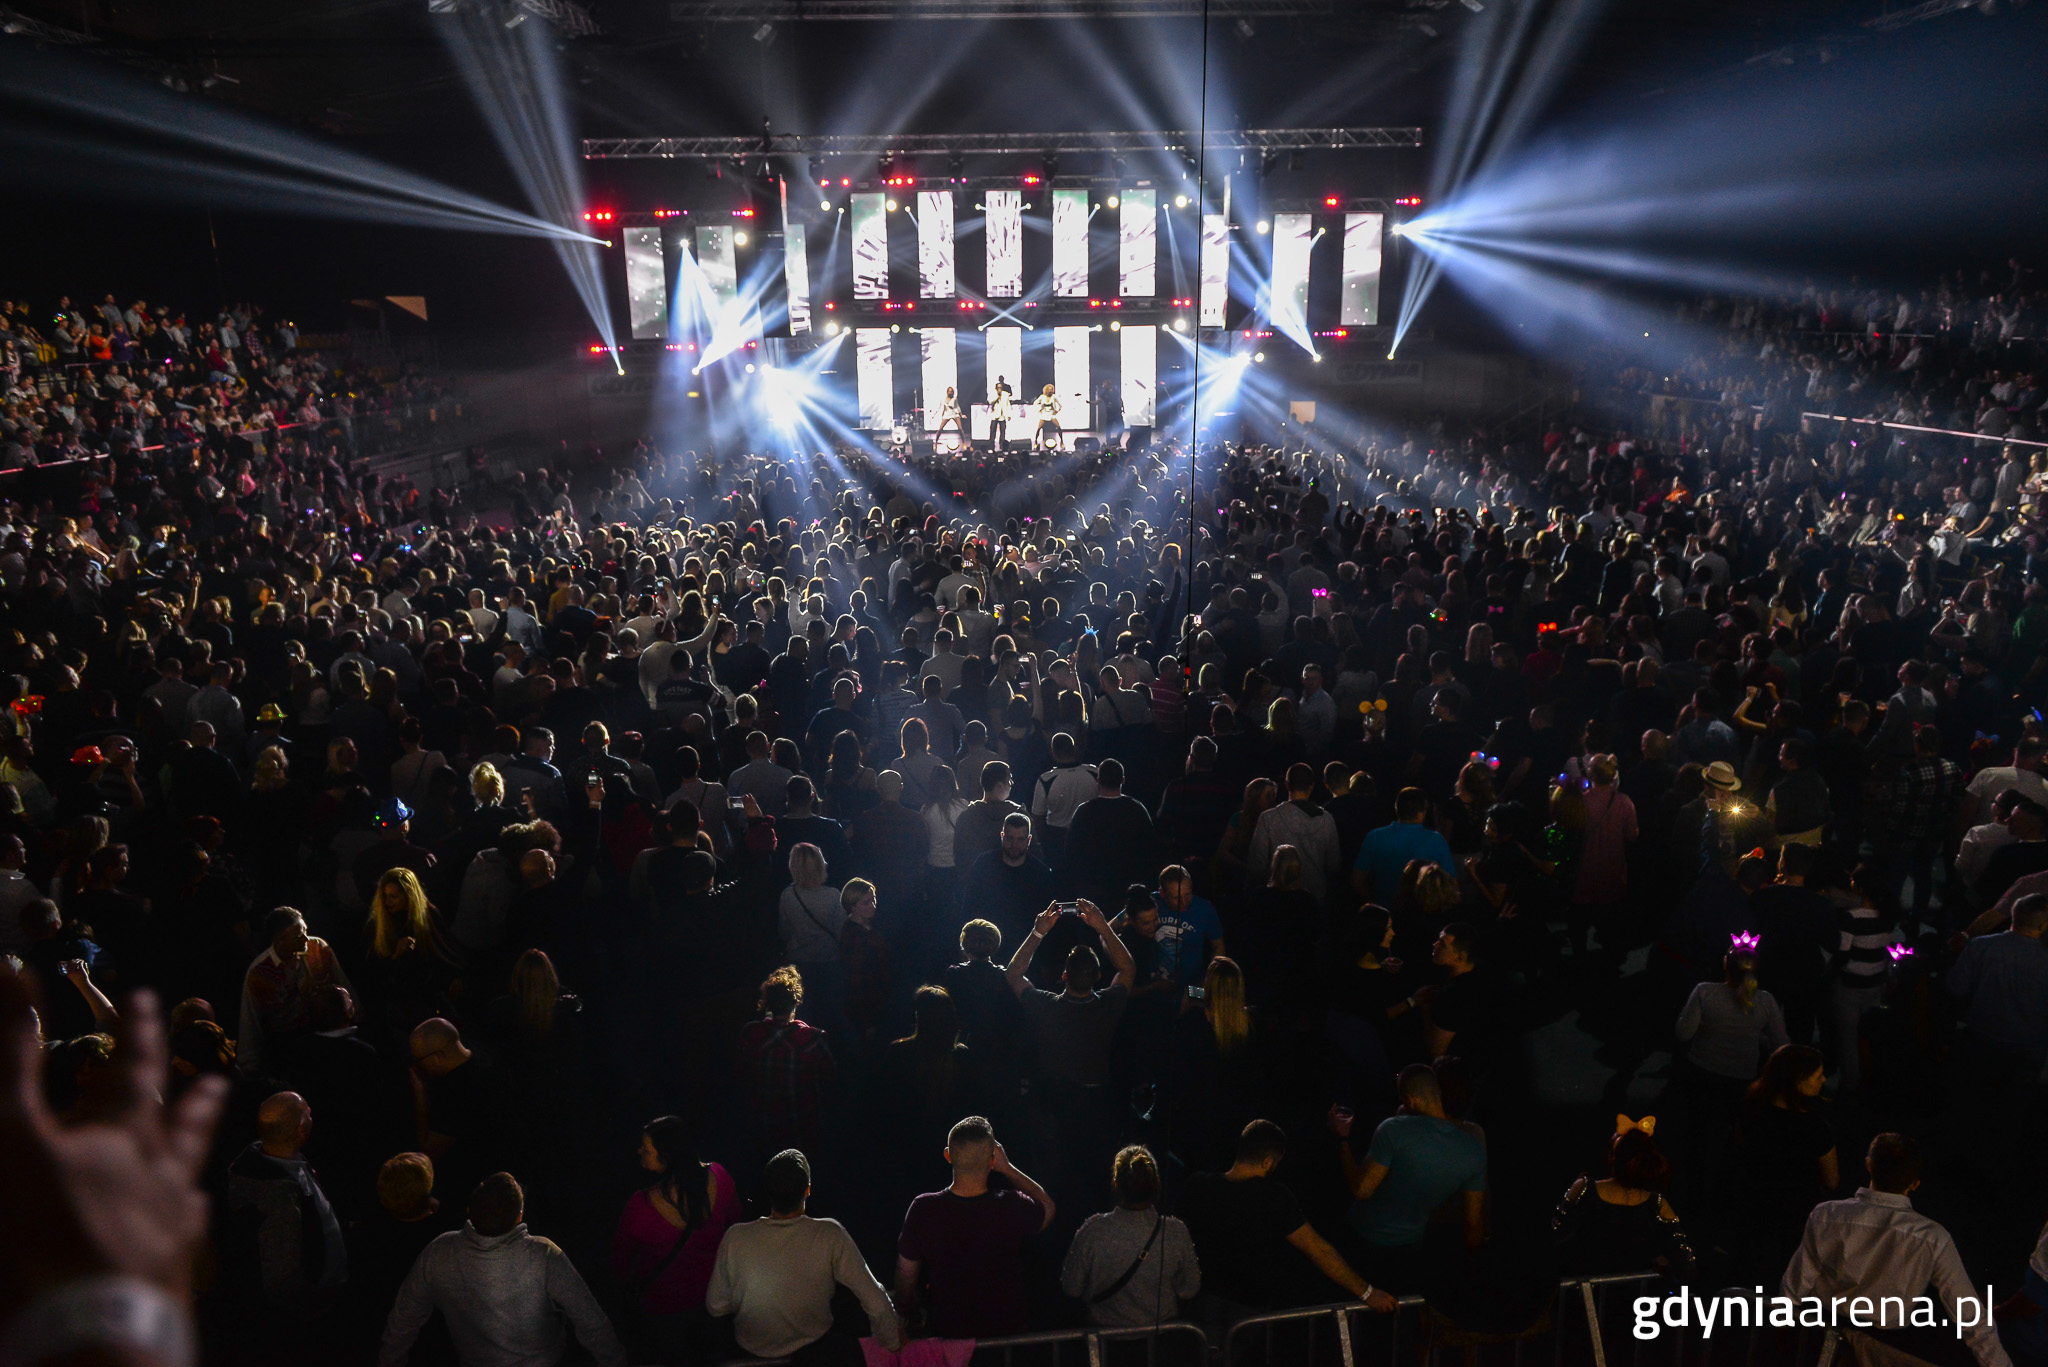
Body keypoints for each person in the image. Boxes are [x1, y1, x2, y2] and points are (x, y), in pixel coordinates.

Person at [1782, 1134, 2011, 1367]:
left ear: (1868, 1165)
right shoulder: (1933, 1238)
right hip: (1877, 1353)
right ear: (1915, 1183)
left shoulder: (1826, 1215)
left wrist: (1781, 1341)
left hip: (1818, 1340)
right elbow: (1970, 1315)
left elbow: (1794, 1287)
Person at [380, 1171, 627, 1367]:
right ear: (519, 1215)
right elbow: (590, 1320)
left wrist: (389, 1362)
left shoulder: (438, 1251)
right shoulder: (544, 1254)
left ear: (470, 1211)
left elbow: (404, 1319)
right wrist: (615, 1362)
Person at [706, 1148, 903, 1364]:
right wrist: (893, 1344)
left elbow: (715, 1306)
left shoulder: (735, 1237)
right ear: (807, 1190)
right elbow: (875, 1301)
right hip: (816, 1352)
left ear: (767, 1191)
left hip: (750, 1350)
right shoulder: (829, 1234)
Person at [1179, 1120, 1395, 1314]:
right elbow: (1316, 1248)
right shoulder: (1274, 1197)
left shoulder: (1197, 1185)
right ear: (1267, 1162)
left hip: (1198, 1300)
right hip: (1248, 1309)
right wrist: (1367, 1292)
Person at [893, 1114, 1054, 1339]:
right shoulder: (1011, 1204)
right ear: (992, 1160)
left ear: (948, 1156)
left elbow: (906, 1274)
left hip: (951, 1336)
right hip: (1007, 1336)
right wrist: (1008, 1168)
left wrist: (905, 1310)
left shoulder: (924, 1209)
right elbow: (1047, 1208)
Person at [1327, 1065, 1486, 1289]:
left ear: (1410, 1100)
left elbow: (1361, 1190)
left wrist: (1342, 1140)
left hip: (1362, 1236)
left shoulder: (1393, 1130)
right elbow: (1473, 1223)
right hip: (1409, 1248)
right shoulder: (1474, 1149)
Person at [611, 1116, 741, 1361]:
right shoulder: (720, 1178)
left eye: (647, 1149)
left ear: (667, 1156)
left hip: (663, 1313)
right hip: (715, 1304)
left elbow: (621, 1265)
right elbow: (735, 1227)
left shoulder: (641, 1206)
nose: (639, 1151)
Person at [219, 1092, 348, 1326]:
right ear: (300, 1129)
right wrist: (312, 1311)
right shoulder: (278, 1201)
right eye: (308, 1114)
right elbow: (282, 1281)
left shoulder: (274, 1155)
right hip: (317, 1307)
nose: (312, 1117)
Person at [1727, 1044, 1839, 1285]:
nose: (1824, 1079)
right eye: (1818, 1075)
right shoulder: (1815, 1127)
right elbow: (1832, 1179)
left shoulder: (1750, 1107)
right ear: (1798, 1081)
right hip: (1795, 1216)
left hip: (1750, 1206)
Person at [1060, 1145, 1200, 1327]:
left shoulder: (1093, 1230)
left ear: (1116, 1184)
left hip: (1106, 1340)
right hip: (1159, 1340)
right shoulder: (1175, 1231)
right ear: (1156, 1184)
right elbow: (1190, 1289)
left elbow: (1071, 1288)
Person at [1550, 1116, 1693, 1278]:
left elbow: (1556, 1237)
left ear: (1612, 1156)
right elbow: (1684, 1259)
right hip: (1635, 1295)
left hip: (1587, 1292)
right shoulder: (1658, 1203)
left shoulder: (1583, 1188)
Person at [1353, 788, 1454, 906]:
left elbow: (1356, 881)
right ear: (1421, 813)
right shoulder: (1436, 840)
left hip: (1385, 910)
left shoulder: (1374, 837)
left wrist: (1374, 904)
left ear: (1397, 808)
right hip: (1424, 912)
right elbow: (1451, 882)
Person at [1032, 383, 1062, 451]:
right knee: (1039, 428)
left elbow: (1060, 405)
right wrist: (1039, 410)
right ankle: (1035, 442)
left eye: (1051, 389)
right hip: (1044, 414)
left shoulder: (1054, 397)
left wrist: (1057, 411)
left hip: (1051, 414)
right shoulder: (1042, 397)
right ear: (1046, 390)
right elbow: (1035, 403)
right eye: (1049, 389)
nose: (1050, 391)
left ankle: (1062, 442)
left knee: (1059, 427)